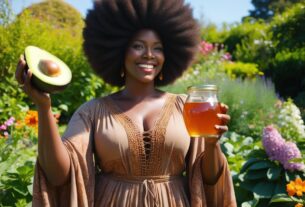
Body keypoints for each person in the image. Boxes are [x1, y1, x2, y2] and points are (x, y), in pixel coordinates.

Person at [15, 0, 237, 206]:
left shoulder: (185, 107)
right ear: (118, 50)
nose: (149, 54)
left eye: (158, 47)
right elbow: (58, 174)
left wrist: (211, 145)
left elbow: (209, 180)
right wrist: (44, 107)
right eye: (138, 46)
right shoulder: (93, 112)